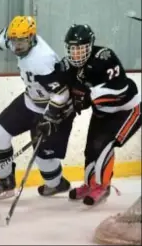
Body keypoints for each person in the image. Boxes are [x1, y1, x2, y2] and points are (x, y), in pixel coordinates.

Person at [0, 16, 75, 201]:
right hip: (30, 101)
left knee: (44, 159)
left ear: (31, 38)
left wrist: (49, 118)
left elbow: (61, 94)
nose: (17, 47)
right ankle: (5, 182)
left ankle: (57, 184)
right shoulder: (14, 38)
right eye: (14, 41)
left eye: (22, 42)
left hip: (56, 109)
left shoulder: (42, 60)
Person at [56, 24, 141, 205]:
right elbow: (69, 93)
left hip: (128, 109)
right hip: (102, 113)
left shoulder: (105, 58)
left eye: (81, 48)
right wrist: (56, 112)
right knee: (91, 149)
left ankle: (103, 187)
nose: (76, 54)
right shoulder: (68, 66)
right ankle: (89, 184)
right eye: (73, 49)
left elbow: (122, 90)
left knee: (106, 146)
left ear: (91, 45)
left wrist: (90, 96)